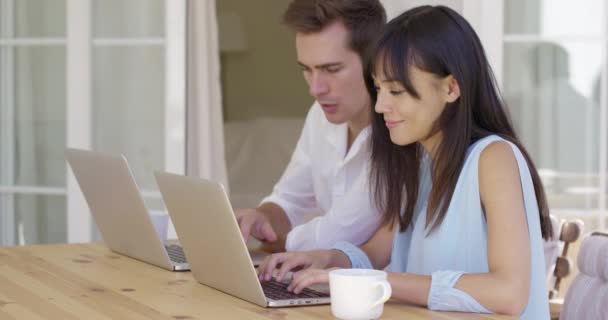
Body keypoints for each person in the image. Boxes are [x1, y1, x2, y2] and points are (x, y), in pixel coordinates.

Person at [257, 6, 553, 319]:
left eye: (396, 90)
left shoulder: (494, 158)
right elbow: (374, 253)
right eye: (379, 88)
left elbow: (509, 293)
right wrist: (324, 259)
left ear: (451, 88)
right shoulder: (420, 161)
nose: (381, 105)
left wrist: (382, 283)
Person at [235, 0, 387, 252]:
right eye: (307, 69)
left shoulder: (399, 133)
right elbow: (287, 200)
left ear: (375, 62)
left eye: (332, 69)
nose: (315, 89)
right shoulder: (319, 115)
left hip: (379, 289)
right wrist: (261, 217)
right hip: (321, 283)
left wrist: (272, 241)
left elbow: (334, 236)